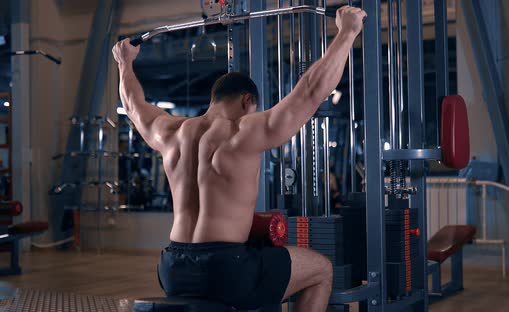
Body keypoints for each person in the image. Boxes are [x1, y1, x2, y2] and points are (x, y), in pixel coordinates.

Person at [112, 6, 366, 312]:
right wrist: (347, 32)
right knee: (321, 270)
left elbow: (134, 106)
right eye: (255, 108)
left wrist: (124, 63)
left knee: (263, 267)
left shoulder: (171, 132)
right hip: (225, 269)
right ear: (247, 101)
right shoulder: (241, 132)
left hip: (172, 268)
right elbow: (311, 92)